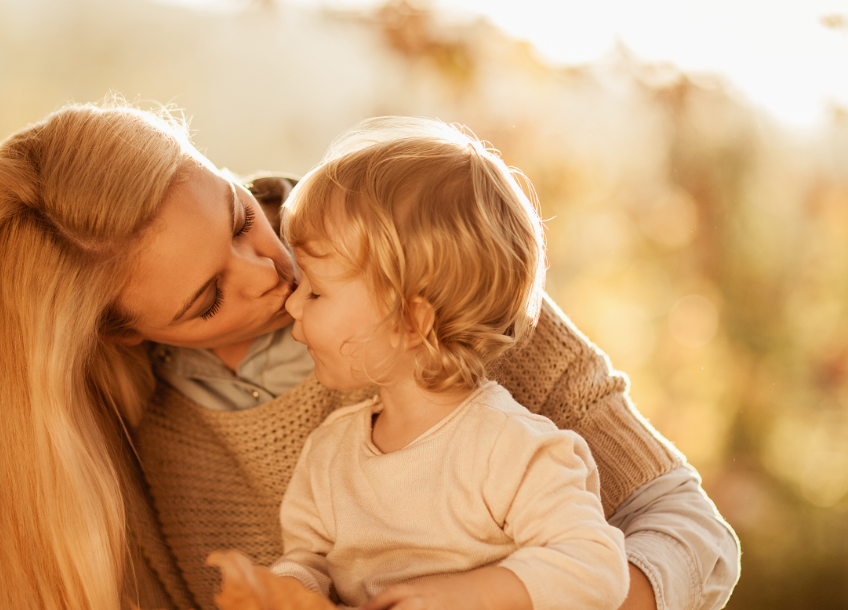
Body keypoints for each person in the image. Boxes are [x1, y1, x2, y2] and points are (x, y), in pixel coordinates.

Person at [0, 99, 739, 610]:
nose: (273, 273)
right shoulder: (118, 443)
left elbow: (694, 533)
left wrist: (532, 595)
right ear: (125, 333)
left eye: (239, 217)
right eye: (208, 299)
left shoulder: (425, 266)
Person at [264, 117, 629, 610]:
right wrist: (289, 590)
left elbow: (595, 568)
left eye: (316, 290)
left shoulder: (512, 449)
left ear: (411, 321)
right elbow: (306, 559)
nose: (292, 303)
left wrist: (470, 595)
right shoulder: (329, 453)